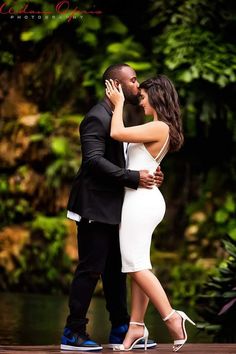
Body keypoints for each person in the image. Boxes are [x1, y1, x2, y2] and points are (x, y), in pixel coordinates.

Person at [60, 64, 164, 351]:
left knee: (116, 270)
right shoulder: (96, 117)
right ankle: (73, 332)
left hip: (115, 207)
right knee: (90, 269)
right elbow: (93, 161)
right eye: (132, 80)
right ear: (115, 85)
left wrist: (149, 172)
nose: (137, 84)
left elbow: (124, 158)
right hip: (93, 205)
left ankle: (121, 328)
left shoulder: (115, 115)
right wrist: (134, 178)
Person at [105, 75, 196, 352]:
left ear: (156, 96)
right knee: (138, 263)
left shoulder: (158, 126)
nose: (140, 100)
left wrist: (118, 103)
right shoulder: (157, 127)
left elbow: (117, 133)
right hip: (142, 197)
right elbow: (139, 159)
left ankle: (171, 318)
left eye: (143, 95)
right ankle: (136, 327)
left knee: (134, 264)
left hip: (140, 202)